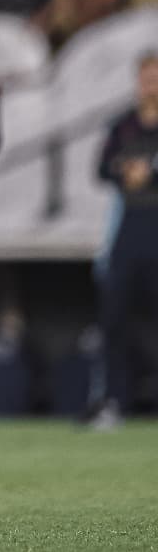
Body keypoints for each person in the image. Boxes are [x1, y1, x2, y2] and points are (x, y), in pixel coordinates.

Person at [88, 52, 158, 430]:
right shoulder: (123, 126)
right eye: (147, 78)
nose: (151, 86)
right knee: (113, 317)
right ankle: (113, 400)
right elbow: (102, 168)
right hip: (129, 229)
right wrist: (124, 171)